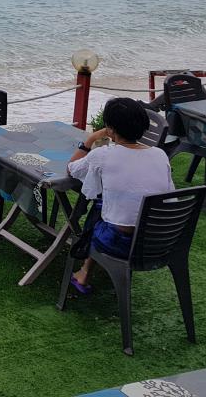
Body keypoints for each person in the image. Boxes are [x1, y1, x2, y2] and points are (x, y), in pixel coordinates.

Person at [66, 97, 174, 294]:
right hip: (162, 240)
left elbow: (72, 168)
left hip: (123, 244)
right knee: (106, 205)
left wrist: (90, 140)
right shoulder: (160, 155)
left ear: (111, 129)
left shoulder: (103, 155)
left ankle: (83, 270)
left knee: (99, 208)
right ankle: (85, 271)